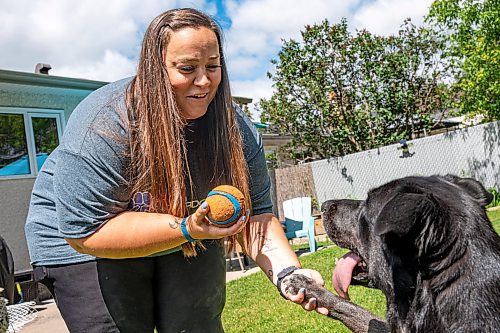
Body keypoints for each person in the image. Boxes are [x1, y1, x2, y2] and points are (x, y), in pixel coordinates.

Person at [25, 7, 326, 333]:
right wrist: (185, 229)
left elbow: (256, 218)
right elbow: (86, 232)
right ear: (155, 69)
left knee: (195, 325)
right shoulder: (105, 126)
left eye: (213, 66)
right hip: (86, 241)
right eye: (187, 68)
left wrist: (288, 274)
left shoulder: (235, 130)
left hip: (188, 226)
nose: (203, 80)